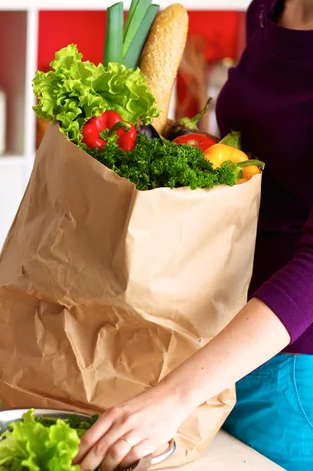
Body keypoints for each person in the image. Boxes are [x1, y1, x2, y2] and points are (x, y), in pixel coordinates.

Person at [72, 0, 313, 470]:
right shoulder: (267, 9)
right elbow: (256, 160)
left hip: (289, 367)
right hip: (206, 335)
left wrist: (174, 396)